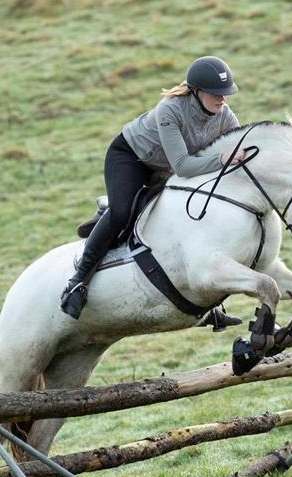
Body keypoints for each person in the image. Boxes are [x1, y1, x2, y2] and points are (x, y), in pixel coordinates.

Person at [60, 55, 248, 321]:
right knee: (122, 214)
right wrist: (221, 158)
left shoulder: (226, 117)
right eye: (216, 93)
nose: (223, 99)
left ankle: (210, 306)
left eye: (226, 93)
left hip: (164, 168)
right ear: (196, 92)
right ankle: (77, 282)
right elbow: (183, 166)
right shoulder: (170, 109)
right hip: (131, 158)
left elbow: (231, 163)